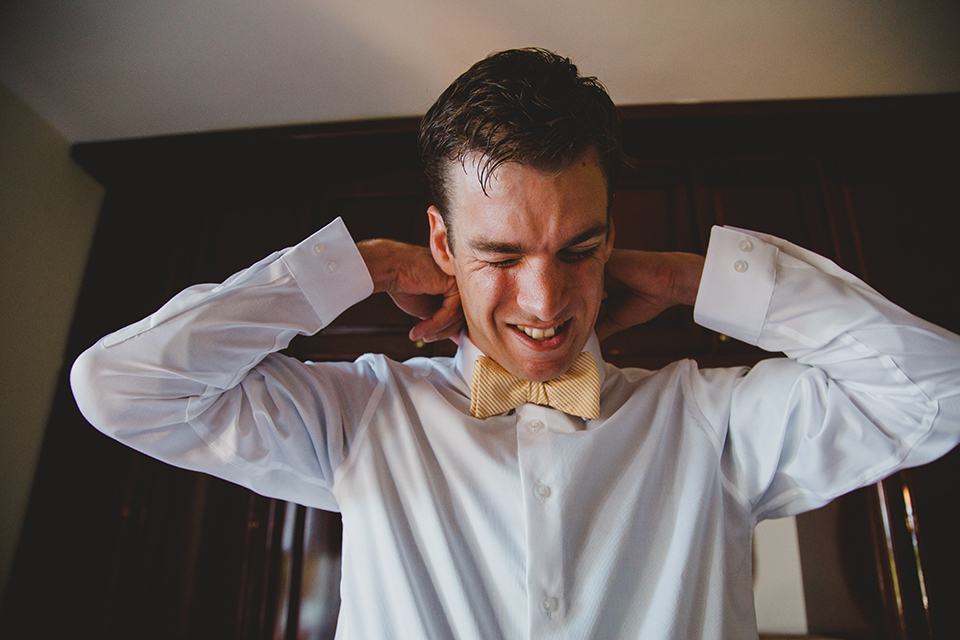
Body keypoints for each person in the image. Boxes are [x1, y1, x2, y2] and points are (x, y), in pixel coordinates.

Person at [70, 48, 960, 639]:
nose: (545, 299)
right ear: (445, 247)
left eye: (579, 248)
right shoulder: (363, 418)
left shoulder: (714, 421)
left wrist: (700, 281)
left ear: (612, 239)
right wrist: (353, 268)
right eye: (499, 254)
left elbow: (939, 391)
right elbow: (120, 388)